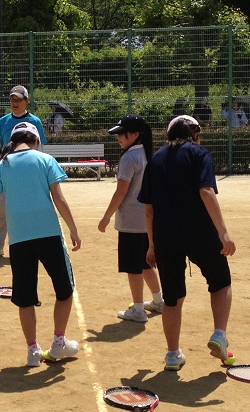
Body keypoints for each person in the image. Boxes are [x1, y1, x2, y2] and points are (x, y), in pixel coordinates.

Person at [138, 115, 236, 371]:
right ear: (195, 132)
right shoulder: (199, 153)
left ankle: (172, 354)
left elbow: (148, 209)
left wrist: (151, 244)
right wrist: (223, 232)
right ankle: (219, 334)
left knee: (172, 298)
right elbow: (206, 191)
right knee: (221, 281)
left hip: (166, 236)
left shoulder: (156, 159)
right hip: (200, 232)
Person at [0, 122, 80, 367]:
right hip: (49, 235)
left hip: (19, 240)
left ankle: (33, 351)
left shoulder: (2, 165)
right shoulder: (45, 160)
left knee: (25, 297)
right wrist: (73, 228)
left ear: (12, 141)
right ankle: (58, 343)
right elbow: (59, 198)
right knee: (64, 290)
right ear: (36, 141)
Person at [98, 114, 163, 323]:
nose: (118, 138)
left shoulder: (129, 158)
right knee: (145, 264)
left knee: (133, 266)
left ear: (135, 135)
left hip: (131, 224)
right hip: (147, 221)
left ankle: (138, 309)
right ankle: (158, 300)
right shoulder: (147, 154)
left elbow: (121, 192)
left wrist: (106, 217)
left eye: (122, 134)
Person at [0, 85, 47, 257]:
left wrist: (41, 170)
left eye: (18, 99)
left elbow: (40, 148)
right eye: (12, 99)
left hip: (29, 172)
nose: (15, 103)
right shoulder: (3, 121)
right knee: (0, 210)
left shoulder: (35, 122)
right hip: (7, 171)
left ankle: (34, 246)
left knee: (30, 209)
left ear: (26, 101)